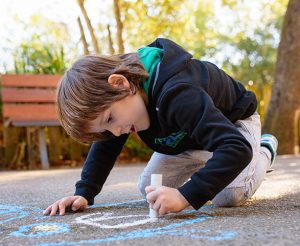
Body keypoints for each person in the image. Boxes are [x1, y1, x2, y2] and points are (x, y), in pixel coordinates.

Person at [43, 38, 278, 217]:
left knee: (228, 195)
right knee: (150, 189)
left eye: (110, 120)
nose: (115, 132)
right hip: (189, 136)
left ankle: (264, 149)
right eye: (107, 129)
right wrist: (83, 192)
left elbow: (235, 148)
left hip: (232, 126)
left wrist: (186, 195)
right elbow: (105, 146)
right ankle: (212, 160)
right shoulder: (122, 105)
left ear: (120, 83)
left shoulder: (178, 93)